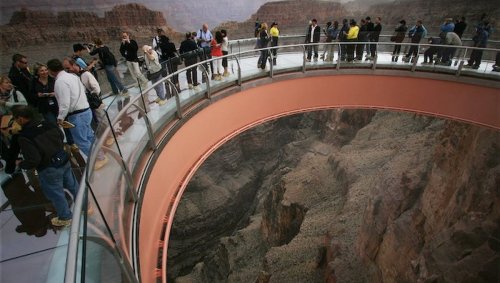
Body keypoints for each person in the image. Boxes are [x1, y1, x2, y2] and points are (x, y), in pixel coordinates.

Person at [13, 105, 79, 228]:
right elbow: (60, 136)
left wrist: (21, 164)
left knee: (56, 194)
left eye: (15, 118)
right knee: (73, 185)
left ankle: (65, 217)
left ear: (21, 119)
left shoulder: (25, 137)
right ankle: (86, 205)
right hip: (63, 160)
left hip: (49, 169)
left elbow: (34, 160)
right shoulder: (48, 123)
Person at [62, 58, 108, 170]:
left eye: (68, 68)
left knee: (101, 118)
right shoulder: (74, 77)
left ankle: (109, 135)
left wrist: (93, 97)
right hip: (85, 106)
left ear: (74, 65)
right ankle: (100, 149)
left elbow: (96, 87)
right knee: (91, 129)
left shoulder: (85, 75)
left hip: (92, 103)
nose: (67, 70)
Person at [47, 58, 94, 158]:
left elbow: (65, 103)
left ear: (51, 70)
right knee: (89, 136)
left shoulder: (60, 81)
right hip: (86, 110)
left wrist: (60, 118)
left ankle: (98, 159)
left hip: (77, 115)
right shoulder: (72, 76)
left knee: (81, 141)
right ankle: (100, 154)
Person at [0, 75, 28, 174]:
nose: (9, 84)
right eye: (6, 83)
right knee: (11, 144)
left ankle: (23, 161)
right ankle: (13, 165)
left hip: (18, 121)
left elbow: (24, 105)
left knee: (20, 141)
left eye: (9, 82)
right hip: (5, 123)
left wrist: (6, 104)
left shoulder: (16, 93)